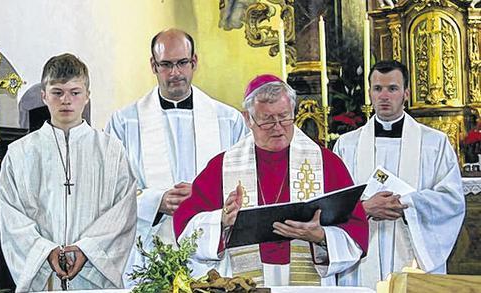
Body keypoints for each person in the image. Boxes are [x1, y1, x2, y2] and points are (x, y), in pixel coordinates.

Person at [174, 74, 368, 286]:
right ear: (248, 118)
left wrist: (321, 236)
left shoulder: (327, 164)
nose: (277, 127)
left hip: (310, 281)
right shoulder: (222, 167)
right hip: (244, 281)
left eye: (284, 117)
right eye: (267, 120)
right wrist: (221, 221)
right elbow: (185, 229)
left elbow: (356, 230)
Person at [106, 28, 247, 286]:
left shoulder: (228, 120)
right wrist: (155, 200)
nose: (175, 73)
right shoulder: (124, 122)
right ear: (153, 65)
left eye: (182, 63)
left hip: (212, 248)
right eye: (166, 65)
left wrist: (203, 194)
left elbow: (245, 180)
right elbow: (110, 189)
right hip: (148, 246)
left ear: (194, 62)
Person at [0, 53, 137, 292]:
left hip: (94, 279)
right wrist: (45, 251)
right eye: (57, 92)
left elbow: (123, 212)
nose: (66, 101)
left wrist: (86, 250)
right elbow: (11, 215)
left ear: (87, 97)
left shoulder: (111, 151)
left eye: (75, 92)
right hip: (45, 280)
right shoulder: (20, 154)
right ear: (44, 96)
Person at [333, 60, 465, 288]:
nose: (384, 96)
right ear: (369, 93)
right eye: (378, 89)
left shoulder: (434, 143)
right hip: (361, 258)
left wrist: (408, 204)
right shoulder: (347, 145)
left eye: (392, 89)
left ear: (406, 93)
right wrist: (364, 209)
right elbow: (334, 202)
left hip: (414, 253)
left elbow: (451, 201)